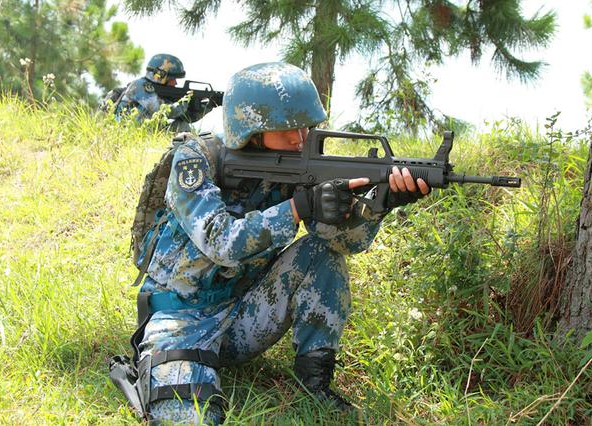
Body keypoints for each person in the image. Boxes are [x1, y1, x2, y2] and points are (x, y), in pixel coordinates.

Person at [125, 62, 430, 424]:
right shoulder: (196, 160)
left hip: (244, 317)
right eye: (285, 129)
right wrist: (298, 207)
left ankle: (315, 385)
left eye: (305, 126)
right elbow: (221, 242)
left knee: (321, 255)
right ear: (249, 127)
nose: (299, 138)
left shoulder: (299, 166)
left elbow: (342, 243)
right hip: (181, 319)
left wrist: (379, 206)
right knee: (188, 417)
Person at [114, 53, 205, 132]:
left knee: (183, 125)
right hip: (128, 133)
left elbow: (186, 118)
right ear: (161, 75)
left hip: (146, 133)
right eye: (173, 79)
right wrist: (186, 102)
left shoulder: (159, 93)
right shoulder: (139, 86)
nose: (175, 83)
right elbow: (162, 110)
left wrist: (204, 107)